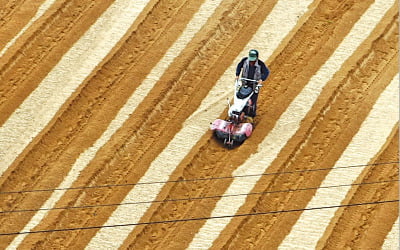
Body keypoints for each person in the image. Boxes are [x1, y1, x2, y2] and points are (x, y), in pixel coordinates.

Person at [235, 49, 270, 117]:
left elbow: (266, 72)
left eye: (253, 60)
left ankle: (251, 115)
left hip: (254, 84)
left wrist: (261, 79)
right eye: (250, 60)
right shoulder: (245, 61)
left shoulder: (260, 64)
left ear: (257, 58)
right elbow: (239, 66)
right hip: (245, 83)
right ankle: (240, 111)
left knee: (252, 100)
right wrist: (237, 75)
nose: (251, 61)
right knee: (241, 97)